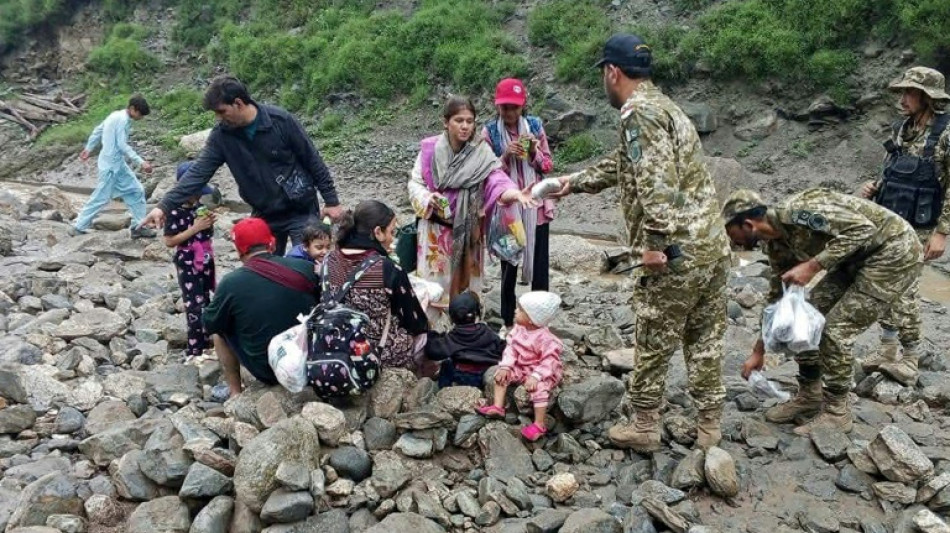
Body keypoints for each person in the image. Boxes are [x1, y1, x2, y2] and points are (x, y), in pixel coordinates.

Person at [549, 34, 730, 451]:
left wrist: (655, 244)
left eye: (603, 75)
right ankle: (709, 429)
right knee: (706, 337)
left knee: (652, 334)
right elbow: (625, 163)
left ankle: (645, 425)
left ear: (613, 72)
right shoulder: (666, 107)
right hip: (710, 246)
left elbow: (655, 184)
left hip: (675, 251)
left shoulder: (637, 113)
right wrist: (572, 184)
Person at [723, 188, 923, 435]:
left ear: (747, 224)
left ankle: (837, 412)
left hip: (893, 252)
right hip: (853, 260)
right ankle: (809, 393)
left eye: (732, 235)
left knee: (834, 331)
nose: (734, 243)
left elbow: (864, 229)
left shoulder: (802, 210)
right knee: (804, 320)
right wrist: (758, 352)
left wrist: (813, 265)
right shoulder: (777, 247)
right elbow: (777, 300)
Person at [139, 76, 343, 255]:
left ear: (238, 103)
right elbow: (198, 173)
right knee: (264, 273)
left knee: (308, 264)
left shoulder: (280, 121)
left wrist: (331, 201)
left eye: (221, 111)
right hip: (264, 213)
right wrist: (163, 207)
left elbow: (312, 158)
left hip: (300, 208)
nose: (219, 118)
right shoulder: (221, 137)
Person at [858, 66, 950, 384]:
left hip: (922, 226)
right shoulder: (902, 129)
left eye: (909, 92)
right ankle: (886, 349)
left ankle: (909, 358)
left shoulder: (946, 134)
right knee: (883, 284)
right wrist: (874, 186)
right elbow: (892, 170)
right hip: (890, 220)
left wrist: (942, 233)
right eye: (902, 92)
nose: (903, 98)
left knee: (907, 290)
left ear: (927, 97)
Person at [407, 96, 537, 306]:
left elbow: (496, 181)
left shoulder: (481, 151)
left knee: (468, 294)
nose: (465, 126)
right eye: (459, 120)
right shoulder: (429, 150)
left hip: (470, 232)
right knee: (434, 289)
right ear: (446, 122)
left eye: (470, 120)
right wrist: (428, 197)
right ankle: (435, 334)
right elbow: (415, 183)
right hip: (435, 233)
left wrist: (516, 194)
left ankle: (466, 332)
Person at [203, 217, 320, 397]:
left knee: (220, 332)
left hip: (267, 371)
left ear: (239, 251)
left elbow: (210, 324)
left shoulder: (230, 283)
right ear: (272, 244)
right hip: (310, 361)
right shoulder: (305, 267)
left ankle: (235, 393)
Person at [482, 78, 556, 337]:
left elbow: (547, 166)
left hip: (535, 204)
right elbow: (486, 170)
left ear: (522, 106)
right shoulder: (489, 132)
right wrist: (506, 156)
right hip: (508, 209)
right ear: (497, 107)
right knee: (508, 266)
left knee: (539, 266)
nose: (510, 113)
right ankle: (508, 321)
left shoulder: (535, 126)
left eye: (514, 107)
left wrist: (534, 152)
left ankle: (539, 321)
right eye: (505, 108)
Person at [324, 200, 429, 370]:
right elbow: (414, 321)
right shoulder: (387, 268)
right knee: (424, 332)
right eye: (392, 232)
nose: (392, 240)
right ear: (378, 232)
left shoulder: (329, 260)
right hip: (376, 354)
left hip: (334, 346)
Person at [476, 291, 563, 442]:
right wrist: (506, 366)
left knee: (540, 388)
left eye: (521, 310)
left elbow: (549, 361)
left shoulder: (546, 339)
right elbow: (511, 349)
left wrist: (536, 376)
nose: (516, 311)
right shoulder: (518, 329)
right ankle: (498, 406)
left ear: (532, 319)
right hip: (522, 367)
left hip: (540, 371)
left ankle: (539, 424)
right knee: (501, 374)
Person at [70, 95, 156, 239]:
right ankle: (78, 226)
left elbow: (98, 130)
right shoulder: (121, 120)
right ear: (133, 109)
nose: (141, 117)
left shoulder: (115, 115)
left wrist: (89, 148)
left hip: (117, 164)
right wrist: (141, 162)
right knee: (101, 197)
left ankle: (138, 226)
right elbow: (122, 145)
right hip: (110, 165)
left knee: (136, 190)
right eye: (140, 114)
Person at [163, 162, 217, 360]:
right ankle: (195, 348)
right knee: (193, 303)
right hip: (187, 260)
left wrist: (208, 224)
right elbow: (170, 240)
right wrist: (194, 228)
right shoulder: (174, 210)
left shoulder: (199, 207)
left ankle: (209, 338)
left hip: (204, 256)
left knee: (207, 299)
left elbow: (206, 233)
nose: (198, 197)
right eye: (195, 191)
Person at [424, 291, 505, 388]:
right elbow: (502, 346)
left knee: (446, 363)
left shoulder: (454, 337)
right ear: (476, 314)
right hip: (484, 373)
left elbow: (433, 351)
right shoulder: (486, 331)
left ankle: (444, 389)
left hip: (463, 376)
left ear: (452, 318)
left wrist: (432, 335)